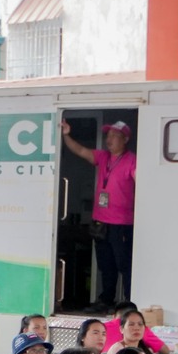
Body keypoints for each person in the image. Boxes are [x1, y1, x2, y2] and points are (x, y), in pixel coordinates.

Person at [60, 118, 136, 310]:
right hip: (100, 222)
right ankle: (106, 301)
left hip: (122, 223)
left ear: (125, 139)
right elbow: (80, 150)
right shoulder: (103, 157)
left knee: (124, 265)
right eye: (108, 135)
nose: (109, 139)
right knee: (105, 265)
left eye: (114, 136)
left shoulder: (132, 160)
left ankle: (128, 303)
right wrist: (66, 134)